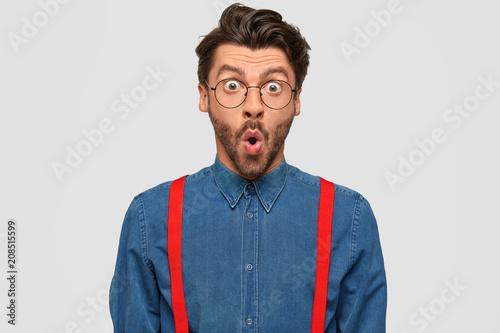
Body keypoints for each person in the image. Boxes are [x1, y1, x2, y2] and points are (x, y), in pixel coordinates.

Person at [109, 3, 387, 332]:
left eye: (273, 87)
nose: (253, 106)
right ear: (204, 97)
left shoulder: (348, 218)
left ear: (296, 100)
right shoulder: (150, 217)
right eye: (232, 85)